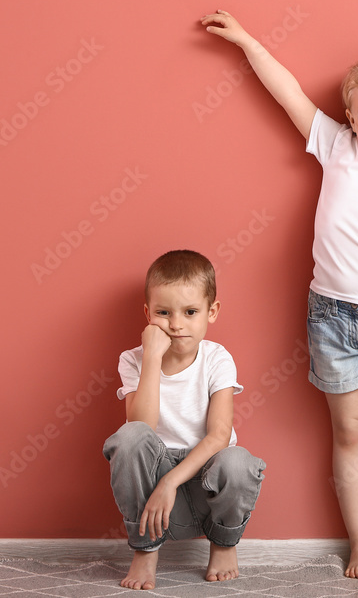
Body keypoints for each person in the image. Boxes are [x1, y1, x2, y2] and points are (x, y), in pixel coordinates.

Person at [200, 10, 358, 580]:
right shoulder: (337, 148)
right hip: (332, 316)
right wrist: (248, 43)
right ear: (350, 120)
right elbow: (287, 92)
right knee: (351, 431)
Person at [102, 249, 266, 590]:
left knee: (238, 461)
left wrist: (171, 482)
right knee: (128, 437)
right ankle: (145, 550)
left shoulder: (216, 358)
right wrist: (151, 357)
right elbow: (141, 427)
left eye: (190, 312)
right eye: (164, 313)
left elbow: (219, 435)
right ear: (148, 315)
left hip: (202, 484)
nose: (176, 324)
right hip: (154, 501)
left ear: (212, 311)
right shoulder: (132, 360)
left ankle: (223, 544)